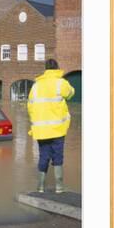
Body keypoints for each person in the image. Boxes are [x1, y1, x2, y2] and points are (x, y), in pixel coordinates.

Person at [27, 59, 75, 193]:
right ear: (57, 68)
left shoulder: (35, 86)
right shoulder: (61, 83)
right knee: (58, 156)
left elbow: (30, 107)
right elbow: (71, 93)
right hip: (58, 130)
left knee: (43, 156)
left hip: (41, 130)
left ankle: (40, 187)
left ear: (45, 69)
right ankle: (59, 187)